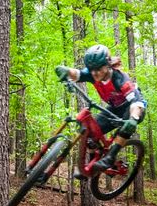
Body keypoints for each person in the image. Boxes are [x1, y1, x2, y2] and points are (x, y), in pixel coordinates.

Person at [55, 44, 146, 174]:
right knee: (90, 132)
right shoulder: (93, 74)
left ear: (107, 65)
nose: (94, 73)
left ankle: (110, 157)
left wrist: (133, 119)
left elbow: (136, 103)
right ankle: (92, 163)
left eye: (98, 69)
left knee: (127, 125)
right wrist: (63, 70)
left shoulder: (120, 80)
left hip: (133, 107)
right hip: (115, 108)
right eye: (91, 69)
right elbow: (77, 73)